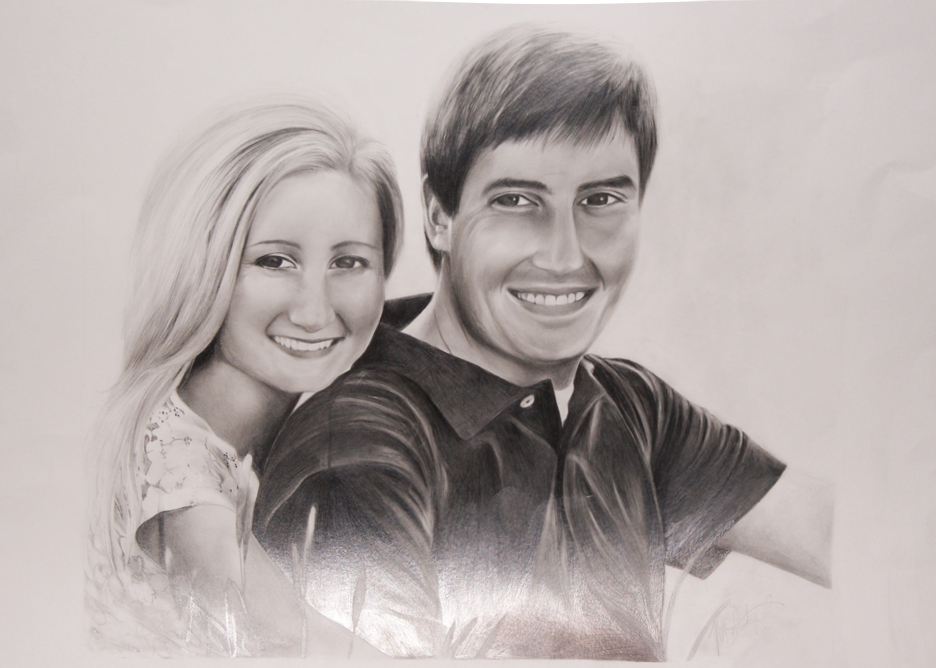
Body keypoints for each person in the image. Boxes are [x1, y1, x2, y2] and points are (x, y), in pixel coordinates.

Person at [251, 28, 833, 661]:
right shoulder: (356, 449)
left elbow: (855, 539)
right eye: (517, 201)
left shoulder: (627, 404)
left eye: (600, 199)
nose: (564, 256)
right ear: (439, 216)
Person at [85, 101, 401, 657]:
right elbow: (305, 645)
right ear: (201, 269)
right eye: (274, 262)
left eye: (348, 262)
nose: (314, 311)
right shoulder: (177, 464)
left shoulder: (237, 440)